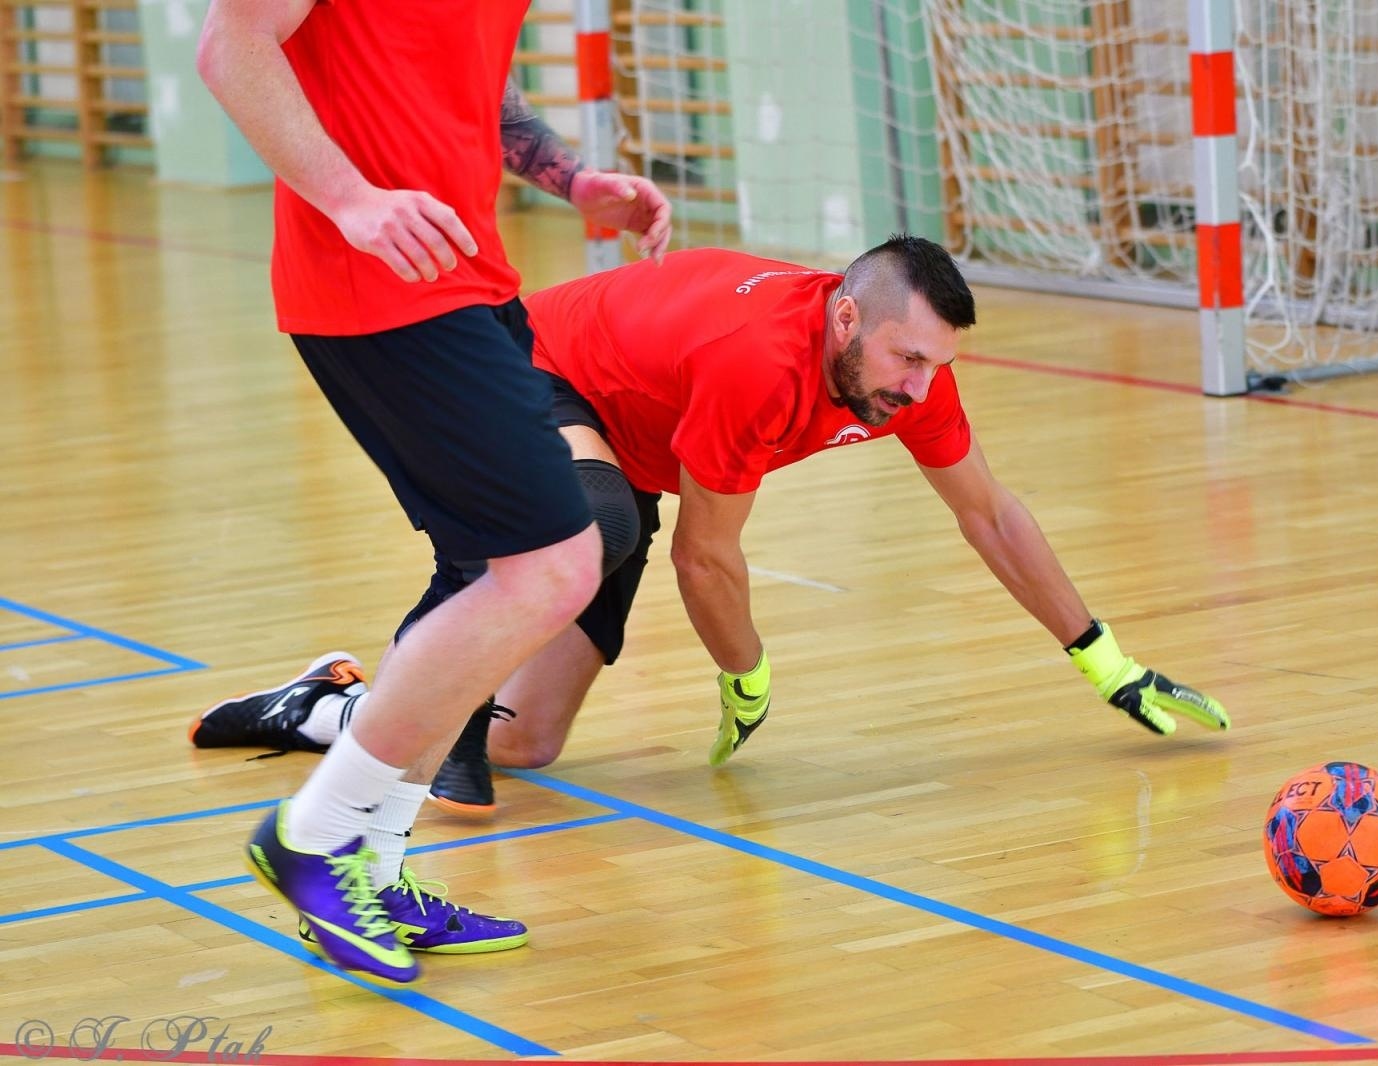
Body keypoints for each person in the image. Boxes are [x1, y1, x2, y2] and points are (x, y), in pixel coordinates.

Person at [193, 236, 1230, 834]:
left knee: (530, 742)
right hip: (537, 376)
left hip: (628, 449)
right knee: (593, 522)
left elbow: (989, 513)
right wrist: (746, 674)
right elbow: (706, 557)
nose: (918, 388)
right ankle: (414, 728)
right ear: (842, 322)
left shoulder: (907, 383)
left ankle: (322, 706)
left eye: (934, 367)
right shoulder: (757, 363)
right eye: (907, 358)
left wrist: (1105, 660)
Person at [193, 0, 672, 985]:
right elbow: (230, 42)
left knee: (480, 576)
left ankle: (369, 867)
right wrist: (352, 198)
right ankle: (317, 836)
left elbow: (463, 77)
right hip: (377, 284)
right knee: (556, 561)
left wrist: (571, 178)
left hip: (468, 275)